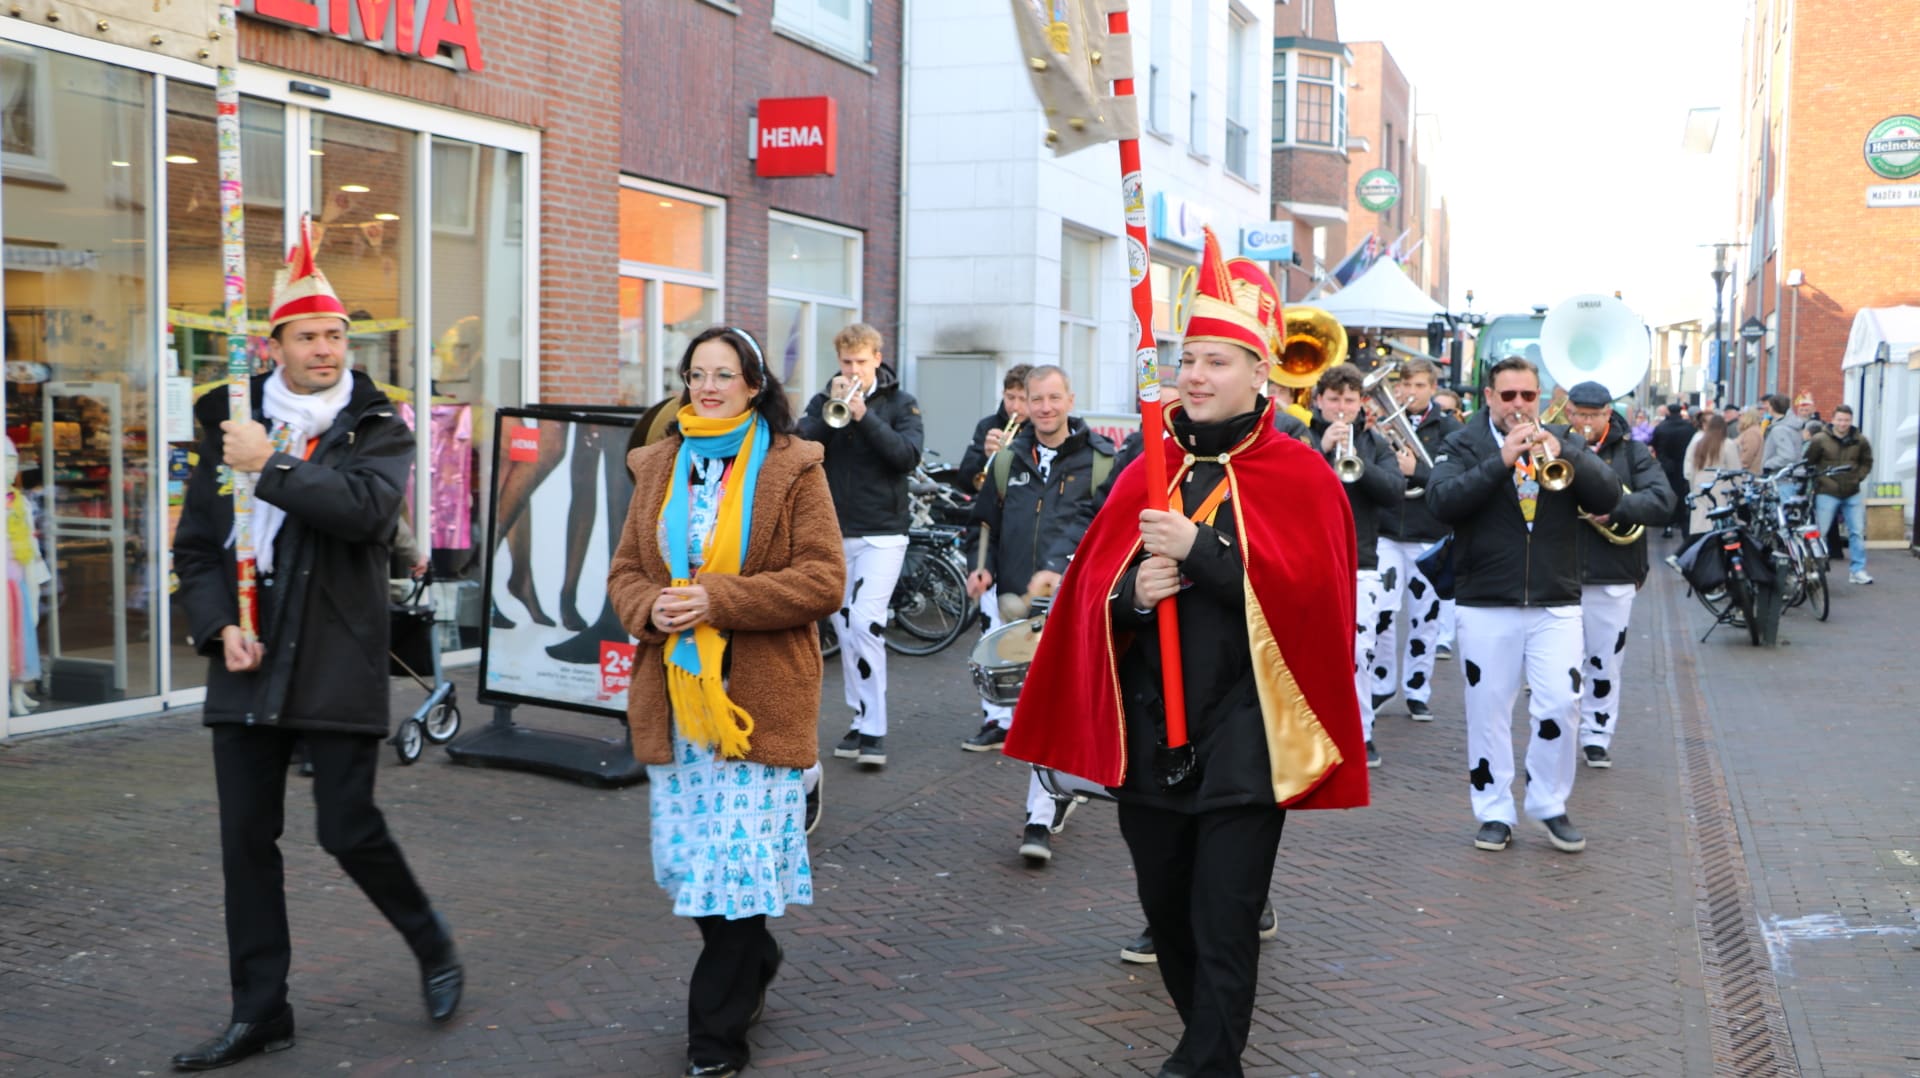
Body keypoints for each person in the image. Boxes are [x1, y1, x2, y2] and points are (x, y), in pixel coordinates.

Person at [1005, 230, 1367, 1077]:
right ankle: (1207, 1046)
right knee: (1166, 914)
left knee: (1224, 919)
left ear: (1259, 373)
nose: (1196, 376)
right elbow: (1095, 597)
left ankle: (1205, 1062)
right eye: (1188, 359)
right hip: (1151, 733)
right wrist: (1133, 596)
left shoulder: (1300, 475)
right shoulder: (1148, 465)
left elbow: (1311, 608)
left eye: (1217, 361)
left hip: (1247, 736)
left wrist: (1201, 552)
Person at [169, 222, 462, 1071]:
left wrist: (273, 466)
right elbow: (198, 548)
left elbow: (366, 513)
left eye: (336, 335)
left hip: (337, 650)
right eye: (309, 337)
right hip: (249, 656)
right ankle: (261, 1012)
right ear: (277, 346)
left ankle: (432, 943)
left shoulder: (378, 424)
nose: (327, 349)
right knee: (245, 844)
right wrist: (218, 625)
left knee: (347, 828)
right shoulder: (229, 421)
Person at [607, 326, 845, 1078]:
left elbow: (824, 579)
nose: (708, 388)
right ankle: (756, 958)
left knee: (736, 873)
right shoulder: (659, 464)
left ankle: (714, 1041)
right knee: (694, 870)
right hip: (680, 701)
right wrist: (650, 607)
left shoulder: (793, 466)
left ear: (753, 385)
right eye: (696, 374)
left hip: (757, 704)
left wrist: (718, 599)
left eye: (723, 374)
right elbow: (624, 573)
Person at [1427, 354, 1620, 855]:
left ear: (1540, 398)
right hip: (1486, 600)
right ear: (1489, 397)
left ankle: (1549, 802)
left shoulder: (1563, 440)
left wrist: (1567, 453)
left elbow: (1609, 496)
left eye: (1528, 395)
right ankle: (1494, 811)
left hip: (1555, 598)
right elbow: (1441, 502)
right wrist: (1500, 460)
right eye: (1508, 395)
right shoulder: (1463, 443)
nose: (1518, 404)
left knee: (1561, 702)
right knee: (1488, 711)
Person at [961, 364, 1114, 862]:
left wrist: (1065, 570)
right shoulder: (1007, 459)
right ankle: (1059, 786)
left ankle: (1038, 819)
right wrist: (981, 567)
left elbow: (1107, 532)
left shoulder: (1101, 462)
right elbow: (983, 523)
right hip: (1015, 603)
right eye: (1036, 399)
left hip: (1070, 605)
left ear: (1070, 399)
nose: (1045, 407)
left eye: (1053, 397)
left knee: (1049, 707)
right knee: (1030, 709)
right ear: (1023, 403)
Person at [797, 323, 925, 770]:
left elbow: (906, 456)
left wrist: (863, 416)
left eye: (861, 362)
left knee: (867, 621)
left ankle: (873, 729)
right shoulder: (823, 399)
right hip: (833, 532)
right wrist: (831, 412)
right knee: (846, 627)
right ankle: (861, 716)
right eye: (847, 362)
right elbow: (802, 449)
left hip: (883, 533)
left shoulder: (901, 403)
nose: (853, 370)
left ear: (877, 359)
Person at [1562, 383, 1675, 771]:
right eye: (1579, 414)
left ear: (1608, 414)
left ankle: (1597, 734)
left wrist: (1617, 508)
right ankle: (1562, 732)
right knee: (1560, 665)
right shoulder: (1553, 446)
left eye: (1593, 415)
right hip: (1559, 570)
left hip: (1612, 572)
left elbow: (1663, 500)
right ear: (1568, 412)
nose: (1586, 422)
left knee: (1605, 662)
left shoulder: (1632, 452)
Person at [1309, 363, 1410, 768]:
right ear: (1319, 400)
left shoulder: (1374, 443)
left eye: (1349, 400)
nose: (1341, 407)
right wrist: (1321, 452)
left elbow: (1395, 491)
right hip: (1310, 558)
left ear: (1360, 402)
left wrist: (1357, 464)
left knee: (1359, 651)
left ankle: (1361, 732)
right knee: (1313, 651)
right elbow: (1289, 489)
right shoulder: (1300, 438)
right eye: (1334, 399)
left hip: (1360, 561)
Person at [1371, 357, 1462, 721]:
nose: (1410, 392)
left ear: (1433, 389)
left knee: (1426, 618)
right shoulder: (1381, 426)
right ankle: (1381, 683)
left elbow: (1453, 479)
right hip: (1388, 531)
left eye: (1419, 385)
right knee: (1382, 612)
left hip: (1428, 533)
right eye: (1406, 385)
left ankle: (1417, 689)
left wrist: (1418, 471)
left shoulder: (1451, 429)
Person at [1805, 404, 1875, 585]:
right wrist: (1820, 480)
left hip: (1852, 491)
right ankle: (1815, 570)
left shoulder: (1860, 440)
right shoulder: (1820, 439)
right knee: (1820, 533)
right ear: (1833, 419)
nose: (1843, 423)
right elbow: (1809, 462)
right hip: (1827, 491)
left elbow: (1867, 462)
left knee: (1857, 532)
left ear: (1851, 421)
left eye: (1846, 420)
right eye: (1840, 419)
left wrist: (1858, 477)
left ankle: (1858, 570)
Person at [956, 363, 1032, 491]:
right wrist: (985, 457)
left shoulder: (1042, 430)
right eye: (1010, 397)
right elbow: (964, 481)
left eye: (1022, 399)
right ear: (1003, 394)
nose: (1015, 406)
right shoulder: (987, 425)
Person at [1683, 413, 1743, 546]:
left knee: (1701, 524)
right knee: (1720, 524)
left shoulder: (1699, 444)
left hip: (1700, 487)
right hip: (1721, 487)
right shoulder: (1727, 444)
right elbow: (1735, 470)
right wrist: (1740, 492)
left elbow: (1692, 470)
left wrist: (1693, 489)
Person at [1650, 403, 1695, 538]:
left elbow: (1655, 444)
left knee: (1668, 495)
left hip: (1666, 466)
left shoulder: (1661, 427)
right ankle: (1683, 524)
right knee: (1682, 495)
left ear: (1668, 412)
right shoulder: (1689, 428)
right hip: (1683, 465)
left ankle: (1668, 525)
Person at [1760, 393, 1808, 481]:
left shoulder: (1779, 429)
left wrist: (1768, 465)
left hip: (1782, 477)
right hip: (1795, 475)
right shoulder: (1793, 425)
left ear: (1772, 408)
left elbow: (1787, 456)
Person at [1736, 407, 1767, 473]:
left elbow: (1748, 454)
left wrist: (1737, 467)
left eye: (1741, 415)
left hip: (1748, 473)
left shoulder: (1752, 433)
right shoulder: (1749, 431)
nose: (1738, 418)